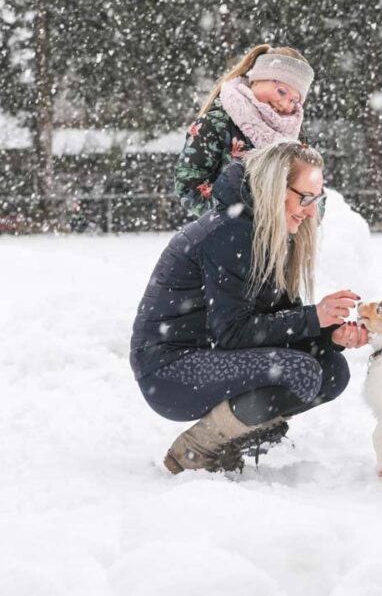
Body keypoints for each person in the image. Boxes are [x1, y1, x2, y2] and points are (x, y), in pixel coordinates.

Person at [132, 142, 367, 474]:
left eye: (318, 199)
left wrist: (330, 334)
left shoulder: (264, 229)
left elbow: (275, 323)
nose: (312, 212)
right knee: (300, 371)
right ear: (275, 188)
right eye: (306, 198)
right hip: (170, 371)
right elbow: (233, 333)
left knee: (331, 370)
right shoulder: (231, 233)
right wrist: (312, 317)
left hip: (213, 356)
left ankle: (239, 434)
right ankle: (196, 449)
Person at [175, 44, 314, 218]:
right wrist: (236, 216)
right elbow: (188, 185)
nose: (285, 104)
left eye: (294, 101)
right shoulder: (216, 123)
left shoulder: (295, 136)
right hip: (228, 239)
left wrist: (295, 214)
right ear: (257, 79)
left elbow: (313, 191)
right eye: (281, 91)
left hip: (280, 241)